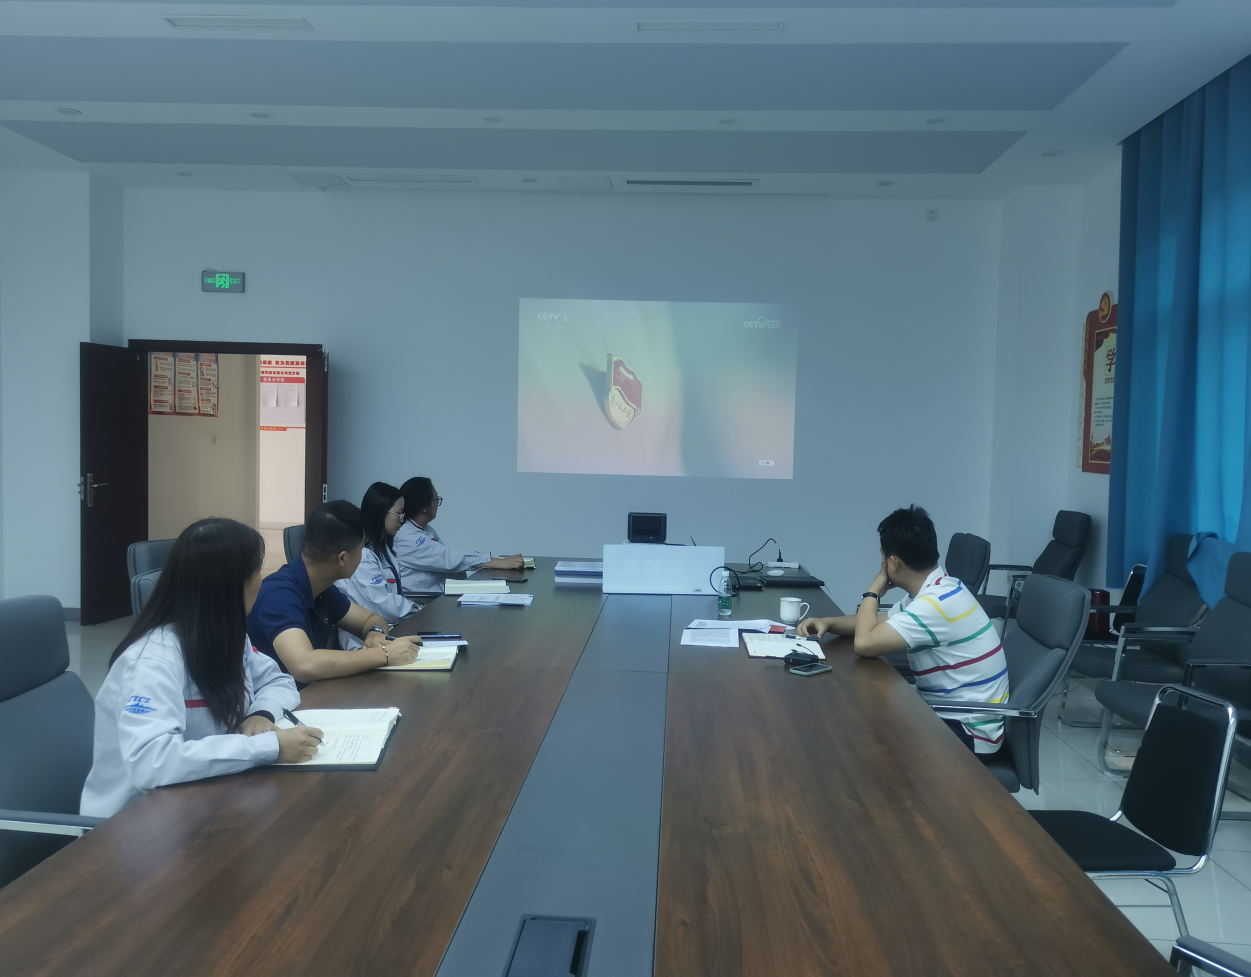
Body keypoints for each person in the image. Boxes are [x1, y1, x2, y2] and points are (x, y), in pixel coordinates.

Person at [81, 518, 323, 818]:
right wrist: (266, 747)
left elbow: (278, 682)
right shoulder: (152, 662)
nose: (262, 581)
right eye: (257, 571)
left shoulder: (227, 636)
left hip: (204, 799)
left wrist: (260, 714)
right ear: (232, 585)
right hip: (129, 825)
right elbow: (150, 763)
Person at [798, 505, 1009, 758]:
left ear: (893, 562)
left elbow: (864, 643)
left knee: (858, 733)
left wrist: (874, 589)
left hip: (968, 732)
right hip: (950, 714)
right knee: (858, 717)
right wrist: (827, 622)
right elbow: (875, 623)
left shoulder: (935, 604)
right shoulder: (938, 588)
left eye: (883, 558)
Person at [247, 500, 421, 683]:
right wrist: (385, 654)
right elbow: (304, 665)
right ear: (342, 558)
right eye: (361, 550)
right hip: (280, 698)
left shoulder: (322, 589)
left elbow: (370, 620)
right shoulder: (279, 595)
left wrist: (375, 634)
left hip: (313, 691)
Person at [392, 476, 524, 594]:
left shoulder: (425, 529)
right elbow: (448, 558)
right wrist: (498, 562)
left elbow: (447, 557)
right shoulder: (405, 537)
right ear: (424, 507)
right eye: (436, 499)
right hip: (424, 601)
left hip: (441, 594)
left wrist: (496, 562)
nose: (438, 504)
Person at [335, 482, 418, 650]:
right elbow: (381, 602)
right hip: (364, 644)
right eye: (399, 513)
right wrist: (417, 610)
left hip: (390, 631)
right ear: (381, 512)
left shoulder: (383, 548)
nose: (402, 519)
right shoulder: (362, 555)